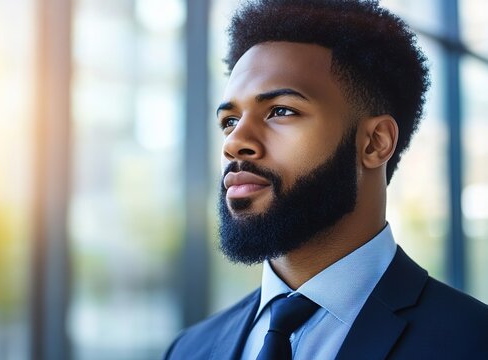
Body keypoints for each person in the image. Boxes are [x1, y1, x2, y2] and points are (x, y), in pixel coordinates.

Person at [164, 0, 488, 359]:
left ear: (374, 142)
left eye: (281, 111)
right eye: (229, 121)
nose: (235, 142)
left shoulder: (472, 341)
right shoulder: (188, 350)